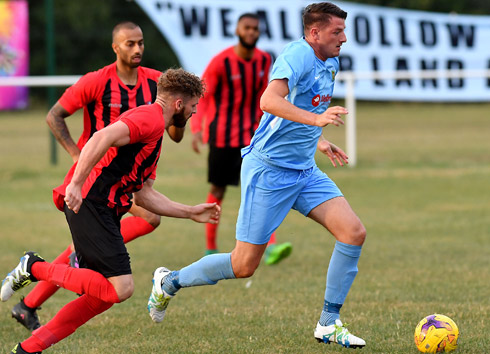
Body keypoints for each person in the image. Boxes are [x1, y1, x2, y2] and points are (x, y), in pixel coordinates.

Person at [147, 2, 366, 349]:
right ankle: (169, 282)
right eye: (336, 31)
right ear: (314, 33)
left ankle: (328, 322)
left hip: (304, 172)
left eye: (343, 31)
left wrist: (318, 140)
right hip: (269, 171)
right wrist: (316, 122)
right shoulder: (297, 54)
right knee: (244, 264)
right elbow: (269, 100)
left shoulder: (332, 62)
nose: (344, 38)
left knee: (353, 233)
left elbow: (305, 109)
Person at [1, 68, 220, 354]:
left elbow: (143, 195)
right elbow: (100, 137)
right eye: (193, 106)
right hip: (92, 203)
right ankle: (33, 267)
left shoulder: (156, 133)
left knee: (100, 296)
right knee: (121, 288)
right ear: (179, 104)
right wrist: (77, 184)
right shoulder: (149, 119)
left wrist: (190, 212)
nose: (193, 113)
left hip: (104, 208)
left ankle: (29, 348)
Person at [10, 21, 173, 332]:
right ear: (115, 47)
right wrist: (76, 156)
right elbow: (54, 114)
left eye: (141, 43)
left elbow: (173, 130)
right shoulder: (97, 81)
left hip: (124, 182)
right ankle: (39, 285)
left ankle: (30, 301)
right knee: (149, 218)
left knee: (93, 244)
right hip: (93, 181)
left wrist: (180, 115)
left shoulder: (154, 82)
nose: (137, 49)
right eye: (130, 44)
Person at [190, 13, 292, 264]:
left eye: (255, 29)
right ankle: (210, 248)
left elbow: (265, 96)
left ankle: (271, 247)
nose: (251, 32)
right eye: (247, 28)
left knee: (261, 186)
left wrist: (271, 126)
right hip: (222, 138)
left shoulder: (263, 60)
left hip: (251, 136)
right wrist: (196, 128)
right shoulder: (221, 62)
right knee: (218, 190)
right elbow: (202, 95)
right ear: (237, 30)